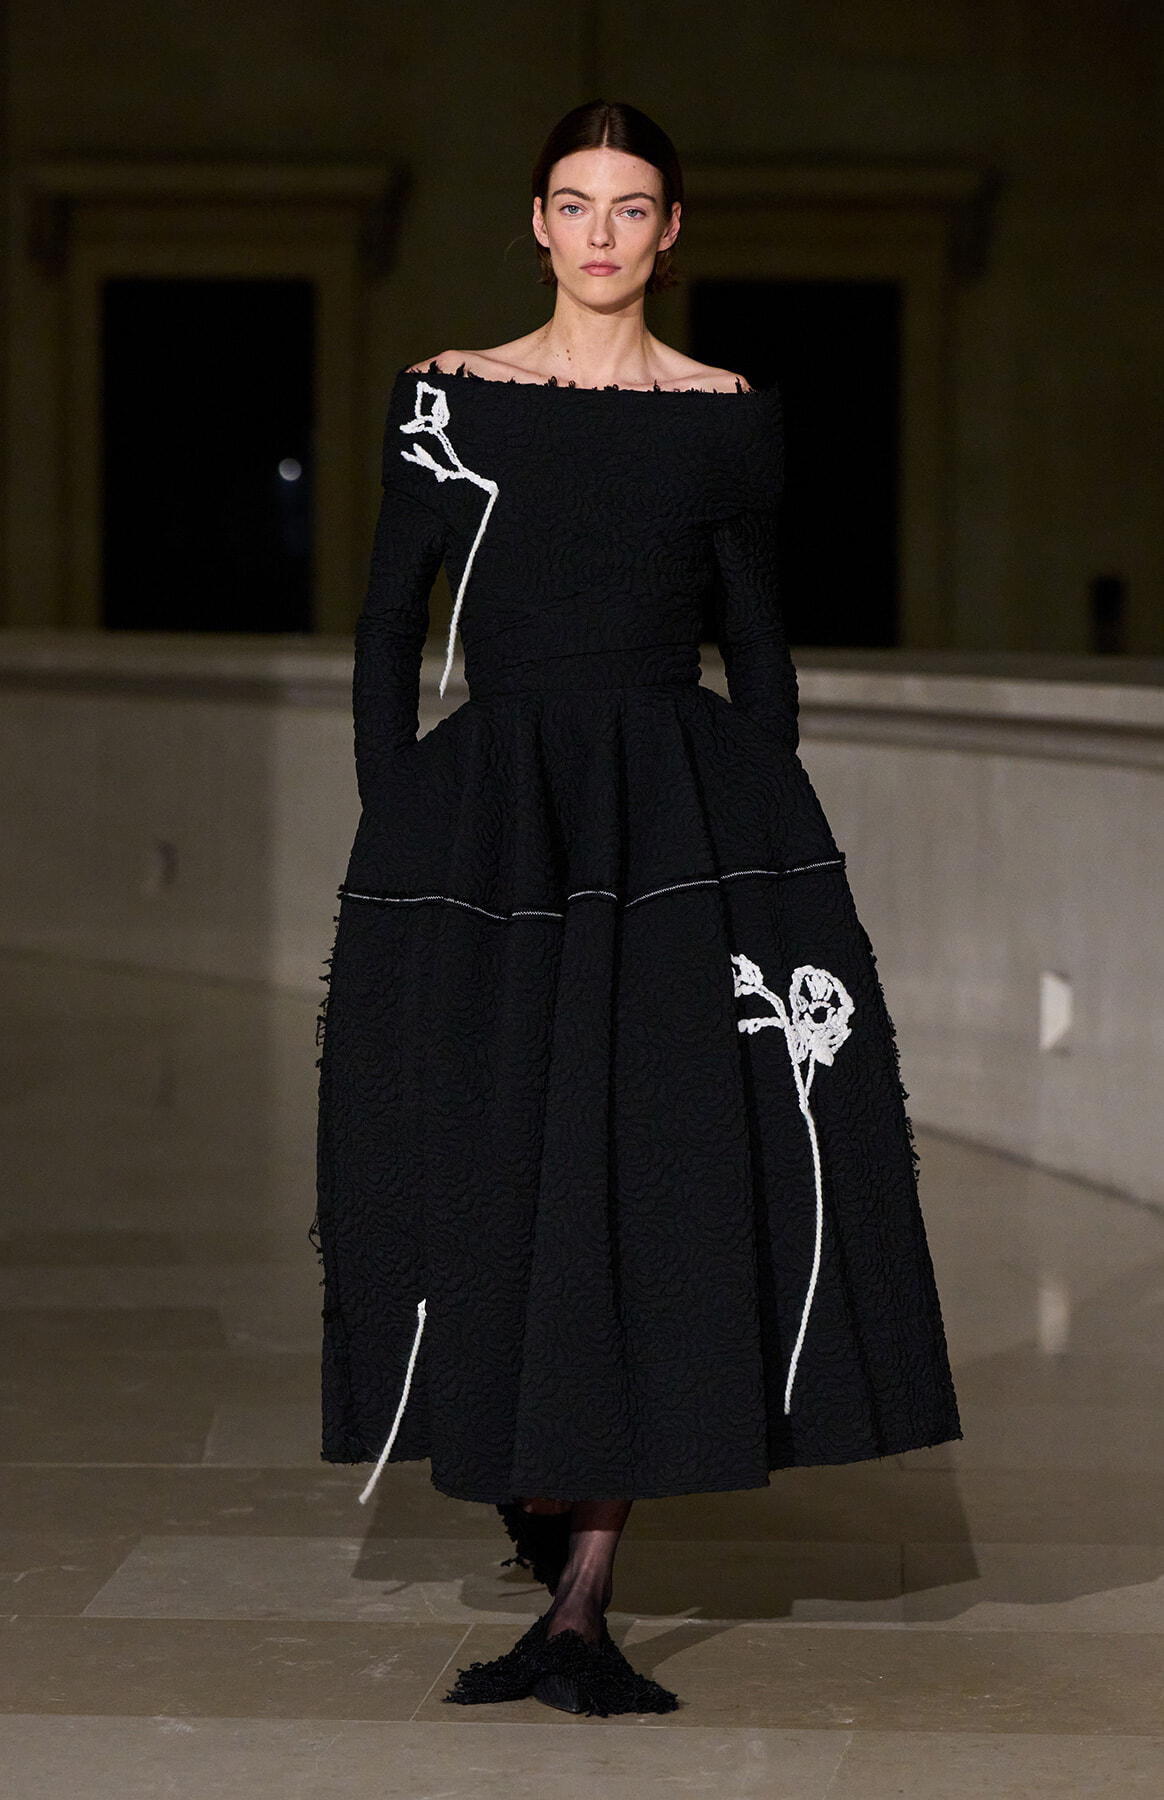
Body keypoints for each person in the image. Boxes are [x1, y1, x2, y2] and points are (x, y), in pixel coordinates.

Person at [314, 99, 960, 1717]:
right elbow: (390, 625)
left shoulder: (725, 416)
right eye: (576, 203)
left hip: (676, 817)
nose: (603, 231)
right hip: (494, 827)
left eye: (634, 206)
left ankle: (586, 1601)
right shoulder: (447, 400)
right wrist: (403, 821)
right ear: (537, 220)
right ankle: (545, 1484)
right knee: (500, 1145)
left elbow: (761, 644)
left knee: (652, 1159)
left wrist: (762, 843)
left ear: (671, 231)